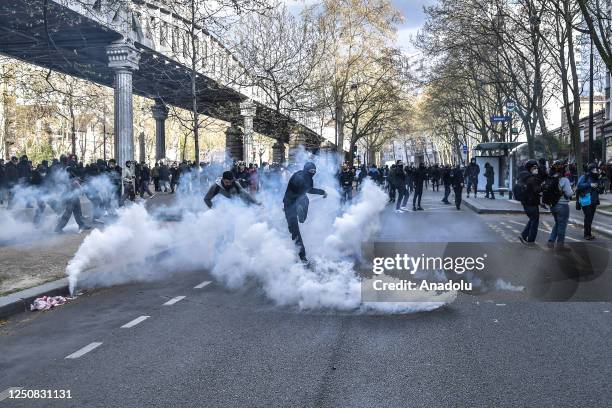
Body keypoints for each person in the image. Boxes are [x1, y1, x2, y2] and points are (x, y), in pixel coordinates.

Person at [283, 162, 327, 263]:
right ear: (307, 170)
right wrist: (322, 192)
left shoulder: (297, 173)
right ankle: (301, 215)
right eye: (311, 171)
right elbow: (310, 190)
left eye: (314, 171)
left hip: (288, 204)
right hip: (295, 203)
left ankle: (302, 256)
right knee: (304, 200)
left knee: (294, 231)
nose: (312, 173)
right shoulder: (307, 178)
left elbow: (290, 189)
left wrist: (286, 206)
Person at [546, 160, 573, 250]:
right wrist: (573, 190)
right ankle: (560, 245)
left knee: (557, 223)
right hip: (562, 206)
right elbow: (569, 194)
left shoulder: (551, 178)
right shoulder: (565, 180)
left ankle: (551, 241)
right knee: (562, 225)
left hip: (553, 205)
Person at [517, 160, 542, 246]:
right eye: (534, 168)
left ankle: (523, 235)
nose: (536, 169)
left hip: (526, 202)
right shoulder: (531, 178)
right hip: (531, 202)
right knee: (535, 221)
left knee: (532, 219)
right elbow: (536, 190)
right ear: (530, 168)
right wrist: (543, 186)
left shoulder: (524, 177)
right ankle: (531, 241)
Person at [577, 163, 604, 240]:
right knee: (588, 217)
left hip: (594, 201)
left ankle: (589, 234)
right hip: (586, 201)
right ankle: (586, 234)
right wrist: (590, 184)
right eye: (594, 169)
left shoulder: (597, 178)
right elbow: (579, 186)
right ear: (590, 170)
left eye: (596, 169)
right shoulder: (584, 177)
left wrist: (600, 186)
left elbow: (600, 190)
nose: (595, 171)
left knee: (590, 218)